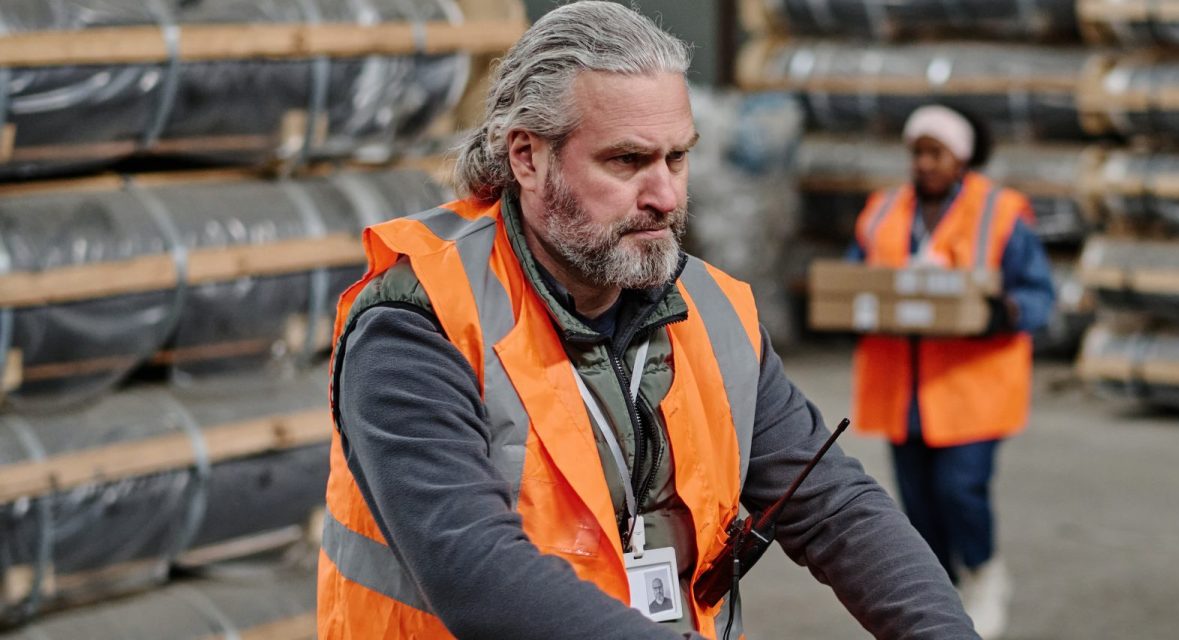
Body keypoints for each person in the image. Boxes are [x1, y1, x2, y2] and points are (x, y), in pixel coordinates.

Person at [316, 4, 976, 639]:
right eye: (627, 161)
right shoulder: (418, 322)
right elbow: (477, 576)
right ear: (527, 157)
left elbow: (835, 510)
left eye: (677, 158)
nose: (664, 195)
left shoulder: (713, 312)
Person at [845, 104, 1055, 639]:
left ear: (961, 157)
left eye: (935, 152)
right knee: (917, 504)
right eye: (917, 152)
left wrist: (1001, 311)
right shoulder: (882, 210)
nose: (923, 163)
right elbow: (850, 280)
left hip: (971, 389)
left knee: (961, 490)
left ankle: (985, 572)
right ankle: (940, 594)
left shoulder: (1001, 213)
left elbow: (1038, 296)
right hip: (902, 390)